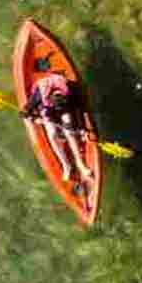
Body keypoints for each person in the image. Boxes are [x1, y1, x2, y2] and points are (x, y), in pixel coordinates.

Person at [21, 60, 94, 194]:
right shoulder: (40, 94)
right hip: (47, 112)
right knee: (52, 134)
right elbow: (24, 112)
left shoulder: (70, 90)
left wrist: (83, 129)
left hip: (65, 109)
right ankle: (66, 165)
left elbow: (81, 108)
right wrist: (34, 118)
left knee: (70, 131)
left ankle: (80, 164)